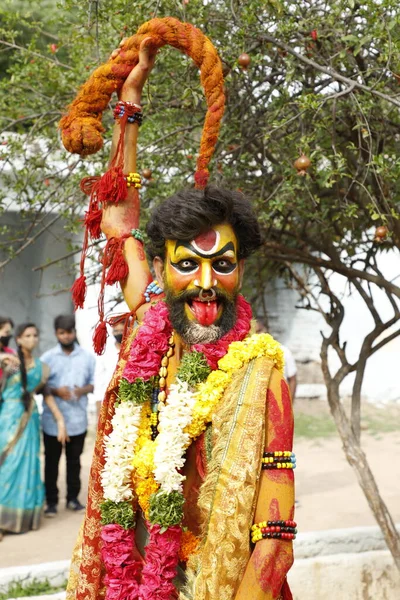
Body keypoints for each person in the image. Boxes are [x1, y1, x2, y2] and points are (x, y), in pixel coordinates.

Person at [64, 23, 295, 600]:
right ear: (164, 270)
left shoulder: (261, 371)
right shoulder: (151, 326)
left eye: (223, 264)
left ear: (242, 266)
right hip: (131, 579)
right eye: (187, 265)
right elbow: (118, 218)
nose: (206, 283)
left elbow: (276, 535)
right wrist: (131, 98)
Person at [0, 323, 67, 540]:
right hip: (8, 416)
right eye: (27, 335)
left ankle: (21, 519)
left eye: (35, 335)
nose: (32, 339)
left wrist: (59, 420)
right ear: (18, 339)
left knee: (27, 465)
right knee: (7, 465)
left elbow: (45, 393)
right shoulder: (9, 362)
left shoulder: (40, 366)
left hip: (29, 418)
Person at [41, 315, 95, 516]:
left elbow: (93, 383)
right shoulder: (47, 358)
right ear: (56, 334)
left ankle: (73, 499)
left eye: (69, 332)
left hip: (78, 419)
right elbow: (40, 385)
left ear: (74, 332)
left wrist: (81, 391)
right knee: (51, 462)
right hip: (52, 421)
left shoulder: (87, 357)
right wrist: (56, 391)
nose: (66, 336)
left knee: (74, 461)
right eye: (62, 333)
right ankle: (51, 502)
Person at [256, 319, 297, 401]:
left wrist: (290, 404)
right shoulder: (249, 354)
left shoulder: (283, 351)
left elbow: (292, 379)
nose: (258, 335)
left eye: (260, 330)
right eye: (255, 332)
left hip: (279, 400)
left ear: (267, 330)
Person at [93, 321, 124, 418]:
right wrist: (99, 406)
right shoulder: (106, 352)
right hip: (109, 401)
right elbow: (99, 380)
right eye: (116, 331)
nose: (118, 333)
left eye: (121, 330)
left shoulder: (134, 350)